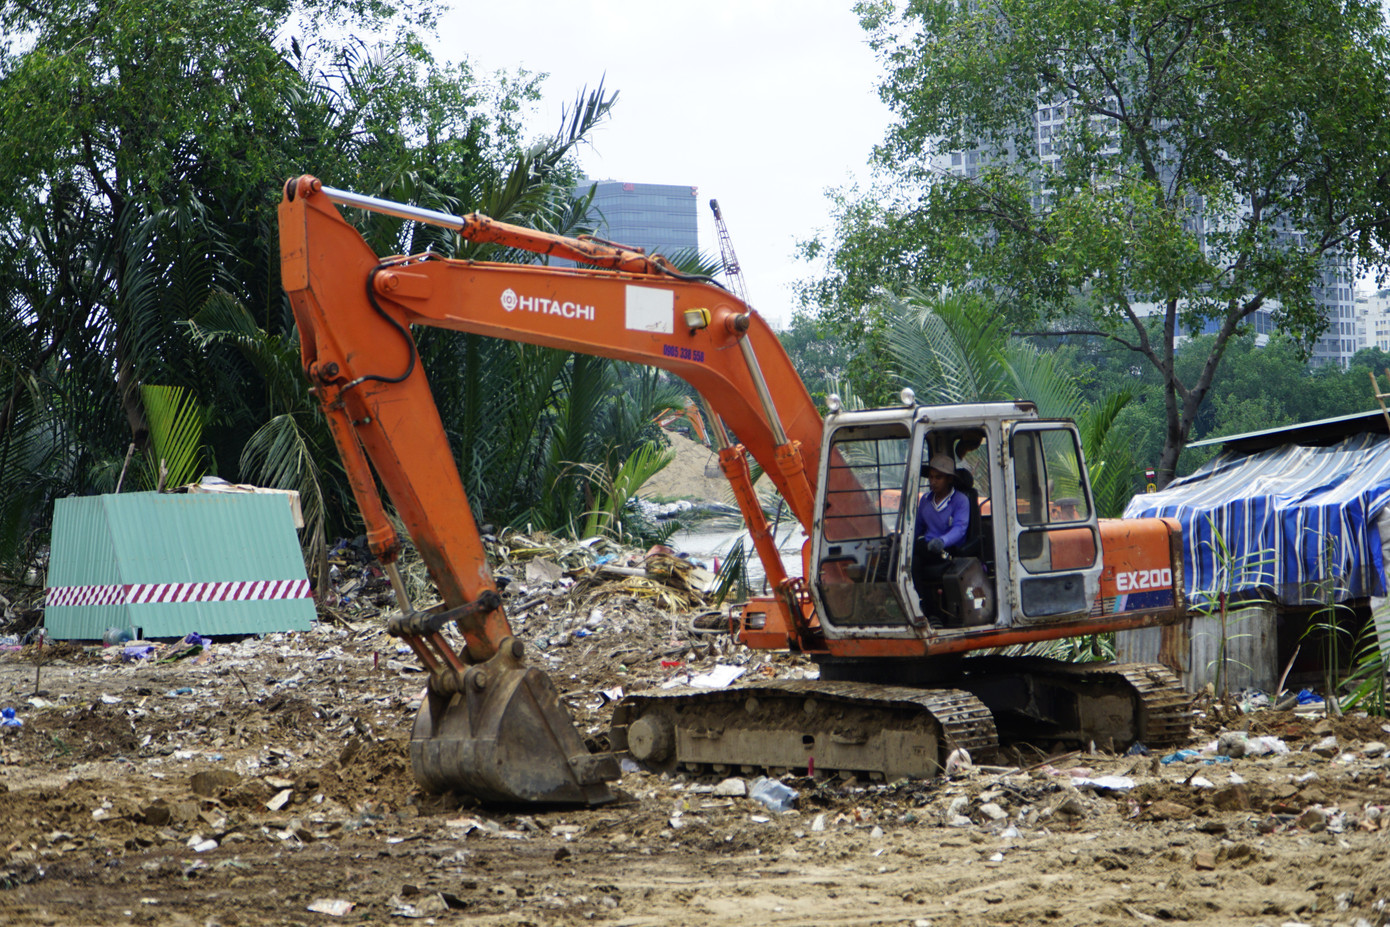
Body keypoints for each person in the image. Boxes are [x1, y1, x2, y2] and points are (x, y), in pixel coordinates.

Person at [913, 453, 970, 618]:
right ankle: (922, 606)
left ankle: (926, 608)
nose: (933, 481)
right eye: (931, 477)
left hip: (948, 550)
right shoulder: (925, 500)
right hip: (926, 549)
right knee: (913, 558)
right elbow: (918, 527)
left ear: (949, 479)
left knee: (916, 551)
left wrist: (942, 541)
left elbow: (960, 529)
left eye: (938, 477)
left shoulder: (960, 501)